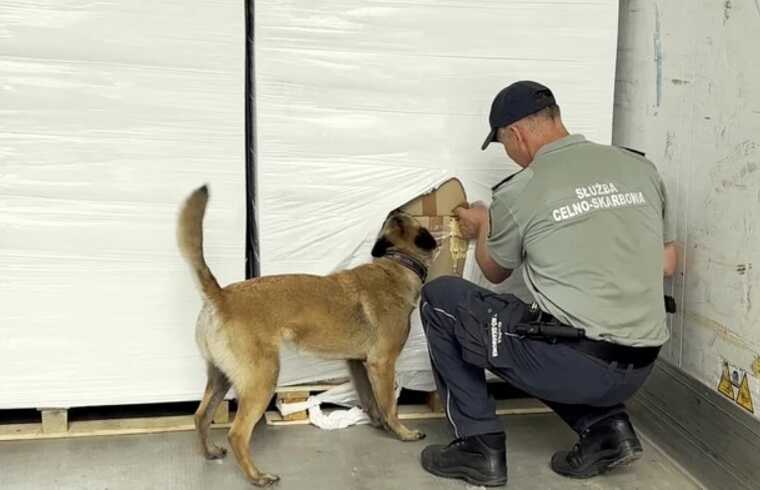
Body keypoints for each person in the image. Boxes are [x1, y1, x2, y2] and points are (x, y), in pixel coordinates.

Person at [418, 81, 678, 487]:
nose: (510, 155)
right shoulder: (638, 167)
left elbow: (494, 270)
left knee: (442, 299)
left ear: (516, 135)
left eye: (504, 144)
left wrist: (485, 222)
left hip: (578, 367)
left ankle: (477, 446)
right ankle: (608, 430)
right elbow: (665, 258)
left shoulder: (520, 190)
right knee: (557, 322)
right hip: (642, 364)